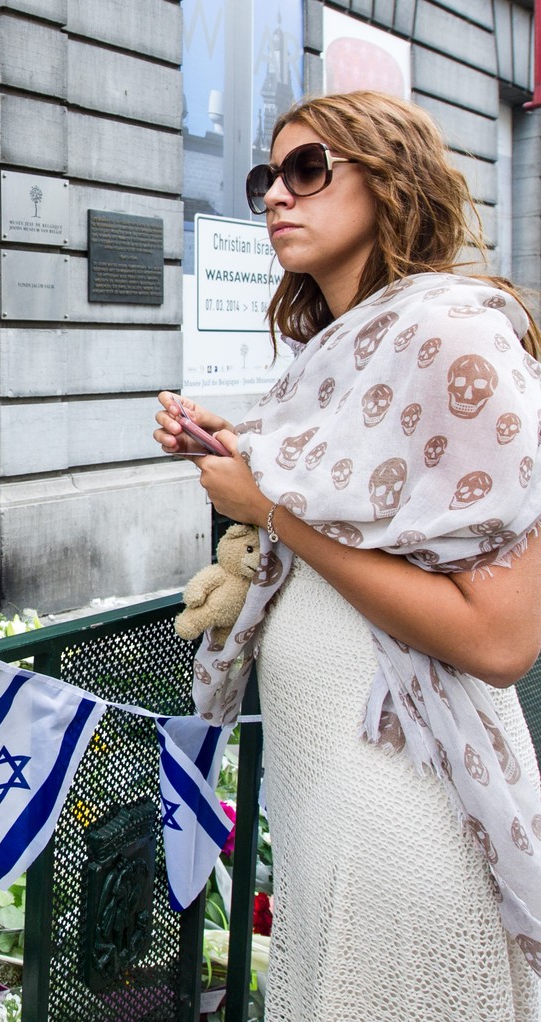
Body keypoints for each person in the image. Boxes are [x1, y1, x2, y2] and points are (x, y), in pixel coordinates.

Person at [153, 91, 541, 1020]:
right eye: (266, 179)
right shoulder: (328, 356)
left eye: (308, 169)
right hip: (325, 792)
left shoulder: (456, 334)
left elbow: (501, 641)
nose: (278, 196)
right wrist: (240, 451)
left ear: (392, 180)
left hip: (406, 803)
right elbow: (352, 504)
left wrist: (271, 508)